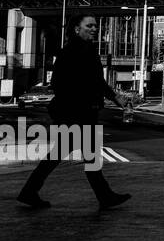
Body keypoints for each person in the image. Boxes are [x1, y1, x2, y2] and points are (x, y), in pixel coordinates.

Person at [17, 14, 131, 210]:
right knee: (86, 156)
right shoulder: (73, 51)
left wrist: (113, 97)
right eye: (89, 26)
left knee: (68, 155)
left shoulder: (84, 49)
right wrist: (107, 97)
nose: (94, 29)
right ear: (77, 29)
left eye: (95, 25)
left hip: (77, 113)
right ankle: (105, 197)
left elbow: (96, 81)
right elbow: (63, 83)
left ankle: (29, 192)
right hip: (78, 113)